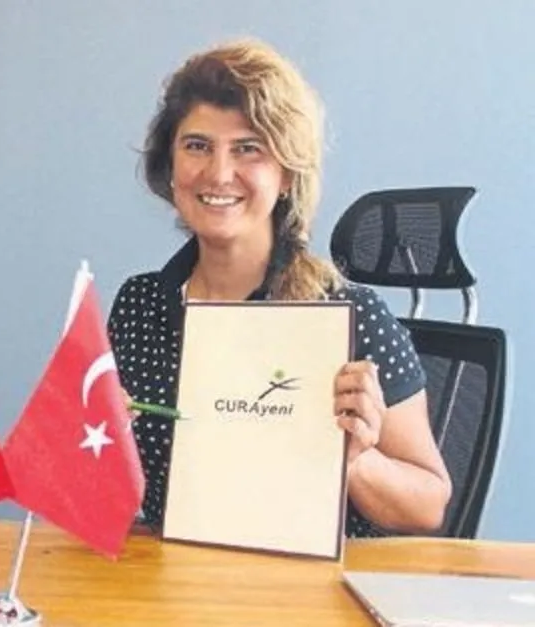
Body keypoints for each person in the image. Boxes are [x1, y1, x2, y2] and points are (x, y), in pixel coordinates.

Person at [108, 38, 452, 536]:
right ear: (171, 165)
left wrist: (356, 458)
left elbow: (428, 506)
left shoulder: (347, 314)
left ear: (287, 174)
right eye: (197, 146)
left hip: (304, 579)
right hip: (173, 569)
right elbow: (116, 480)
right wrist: (94, 443)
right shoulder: (139, 305)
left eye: (248, 149)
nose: (218, 173)